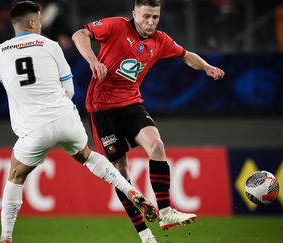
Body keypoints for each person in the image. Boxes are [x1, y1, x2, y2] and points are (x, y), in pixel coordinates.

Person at [0, 2, 158, 243]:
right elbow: (68, 90)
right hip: (65, 118)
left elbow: (12, 89)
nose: (40, 25)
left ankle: (6, 238)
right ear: (30, 23)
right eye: (39, 21)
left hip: (34, 127)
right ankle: (129, 189)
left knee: (16, 175)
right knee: (88, 156)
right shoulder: (50, 45)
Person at [72, 0, 225, 242]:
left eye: (155, 17)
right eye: (146, 16)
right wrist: (93, 60)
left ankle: (165, 212)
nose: (151, 22)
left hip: (131, 103)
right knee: (121, 171)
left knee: (157, 145)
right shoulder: (116, 26)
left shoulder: (160, 40)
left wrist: (206, 67)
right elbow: (80, 34)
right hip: (102, 107)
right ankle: (145, 234)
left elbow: (185, 55)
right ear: (134, 14)